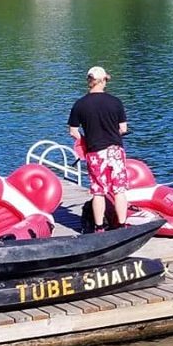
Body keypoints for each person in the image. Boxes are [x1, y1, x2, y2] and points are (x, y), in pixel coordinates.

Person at [68, 66, 129, 232]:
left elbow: (73, 131)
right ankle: (122, 225)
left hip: (95, 152)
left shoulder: (80, 104)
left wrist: (84, 140)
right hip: (115, 150)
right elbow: (123, 128)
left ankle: (99, 227)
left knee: (98, 191)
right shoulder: (115, 102)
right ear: (102, 81)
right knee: (119, 190)